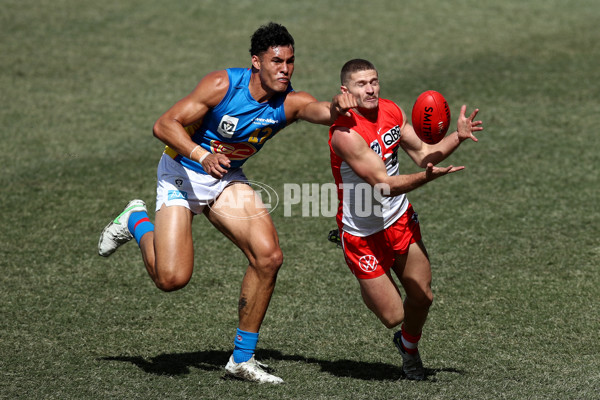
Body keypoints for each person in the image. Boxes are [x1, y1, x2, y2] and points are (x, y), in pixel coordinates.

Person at [98, 22, 356, 384]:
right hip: (182, 172)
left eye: (291, 61)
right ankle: (136, 220)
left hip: (224, 179)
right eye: (277, 61)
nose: (285, 69)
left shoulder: (289, 102)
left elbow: (319, 110)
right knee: (172, 279)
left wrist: (339, 108)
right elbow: (164, 124)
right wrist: (200, 154)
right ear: (256, 62)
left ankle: (241, 359)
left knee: (268, 257)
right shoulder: (223, 84)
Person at [328, 59, 483, 380]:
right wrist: (426, 179)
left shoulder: (391, 111)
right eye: (361, 84)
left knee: (422, 295)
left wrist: (457, 136)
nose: (370, 89)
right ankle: (357, 264)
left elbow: (424, 154)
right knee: (392, 314)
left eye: (374, 81)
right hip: (362, 234)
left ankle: (408, 348)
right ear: (345, 91)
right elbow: (383, 184)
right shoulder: (344, 134)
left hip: (399, 219)